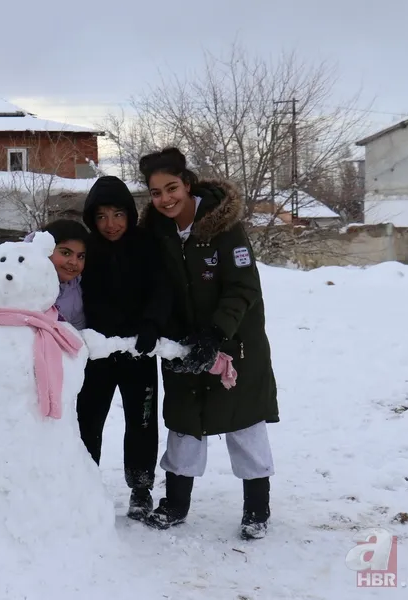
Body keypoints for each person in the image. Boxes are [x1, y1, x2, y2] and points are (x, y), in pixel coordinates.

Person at [137, 147, 279, 540]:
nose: (165, 199)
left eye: (172, 188)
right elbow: (157, 288)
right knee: (184, 421)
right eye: (156, 192)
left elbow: (243, 287)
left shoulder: (223, 226)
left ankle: (257, 509)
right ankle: (175, 504)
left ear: (187, 183)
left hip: (235, 343)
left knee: (244, 422)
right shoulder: (157, 233)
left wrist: (215, 334)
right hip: (182, 344)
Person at [77, 175, 171, 520]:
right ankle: (83, 484)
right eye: (101, 216)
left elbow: (162, 288)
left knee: (141, 420)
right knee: (87, 421)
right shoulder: (86, 249)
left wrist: (152, 324)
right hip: (96, 353)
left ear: (130, 214)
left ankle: (141, 487)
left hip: (138, 351)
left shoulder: (147, 245)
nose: (111, 224)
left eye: (118, 214)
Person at [23, 218, 90, 330]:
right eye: (66, 253)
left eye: (80, 256)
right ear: (46, 249)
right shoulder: (20, 281)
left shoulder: (74, 292)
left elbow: (78, 332)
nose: (74, 262)